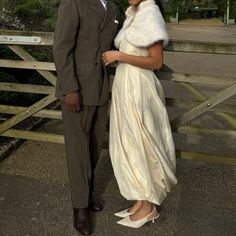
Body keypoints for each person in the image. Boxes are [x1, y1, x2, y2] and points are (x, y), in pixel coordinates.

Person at [102, 0, 177, 228]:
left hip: (138, 89)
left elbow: (156, 62)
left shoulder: (150, 14)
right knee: (130, 141)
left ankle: (148, 207)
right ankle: (140, 200)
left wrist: (119, 56)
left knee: (141, 142)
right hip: (126, 85)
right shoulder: (134, 13)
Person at [53, 0, 119, 235]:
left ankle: (87, 192)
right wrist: (70, 88)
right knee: (77, 150)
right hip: (77, 90)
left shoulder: (112, 8)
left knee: (93, 146)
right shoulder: (74, 3)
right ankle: (80, 208)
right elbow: (61, 47)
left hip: (100, 89)